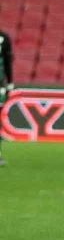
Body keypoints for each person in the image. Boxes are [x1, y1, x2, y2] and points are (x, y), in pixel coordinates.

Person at [0, 28, 13, 166]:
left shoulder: (4, 37)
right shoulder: (4, 37)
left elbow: (8, 61)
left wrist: (9, 82)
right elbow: (8, 61)